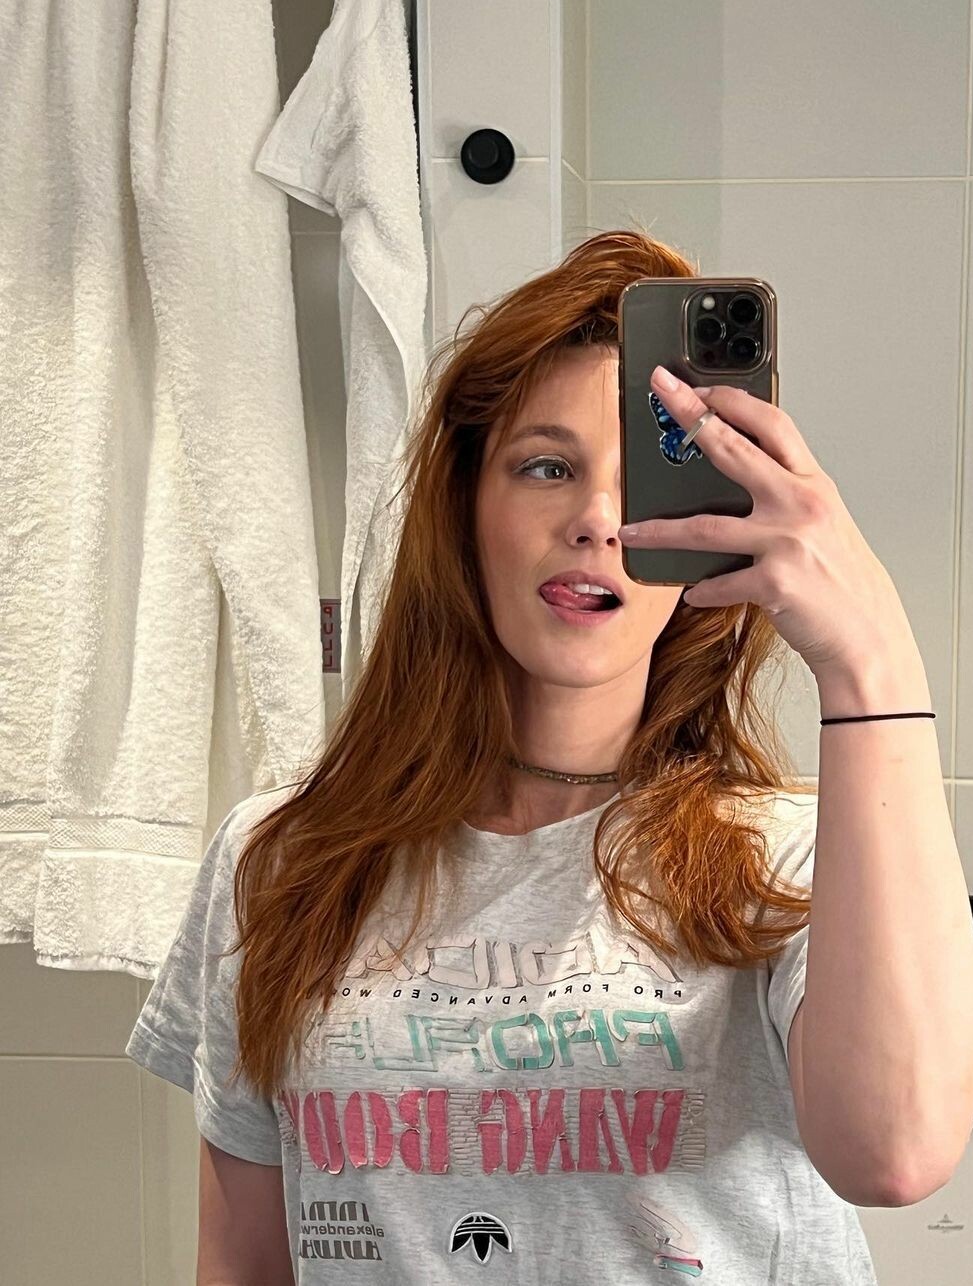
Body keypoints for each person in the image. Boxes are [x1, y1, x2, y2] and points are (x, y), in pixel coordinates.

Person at [126, 230, 881, 1283]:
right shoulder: (280, 861)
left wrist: (869, 660)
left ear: (704, 532)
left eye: (642, 484)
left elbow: (894, 1153)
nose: (596, 520)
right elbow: (245, 1263)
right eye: (547, 467)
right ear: (466, 510)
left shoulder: (794, 865)